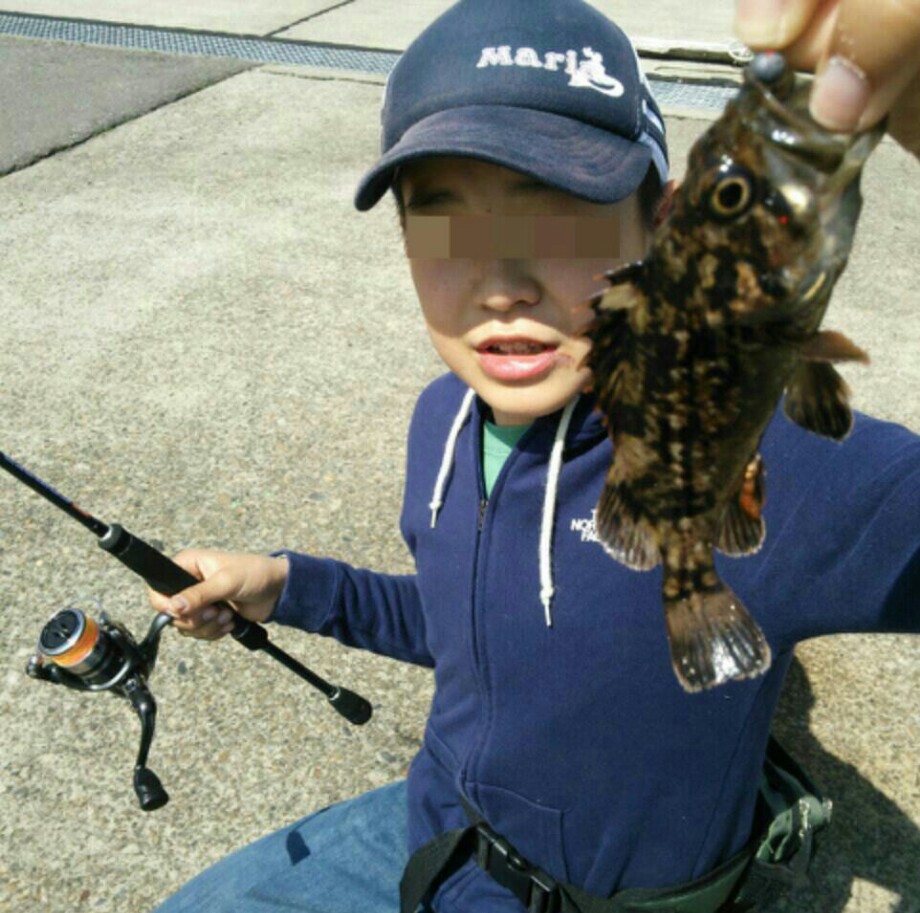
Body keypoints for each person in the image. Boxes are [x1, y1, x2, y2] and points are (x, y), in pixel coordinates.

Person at [149, 1, 920, 911]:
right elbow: (475, 627)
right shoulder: (444, 417)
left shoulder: (769, 454)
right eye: (445, 226)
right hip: (433, 831)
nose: (500, 284)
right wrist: (289, 585)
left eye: (561, 219)